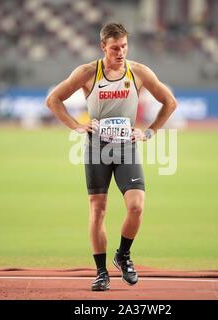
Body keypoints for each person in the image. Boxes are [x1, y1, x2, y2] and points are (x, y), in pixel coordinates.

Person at [46, 22, 177, 291]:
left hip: (126, 146)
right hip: (97, 147)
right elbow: (53, 100)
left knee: (137, 206)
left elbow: (170, 102)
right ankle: (100, 272)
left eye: (124, 47)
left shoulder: (138, 72)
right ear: (103, 46)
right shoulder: (87, 73)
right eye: (115, 48)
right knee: (98, 209)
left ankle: (123, 255)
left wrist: (149, 132)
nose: (121, 52)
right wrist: (77, 126)